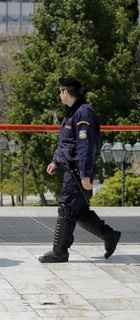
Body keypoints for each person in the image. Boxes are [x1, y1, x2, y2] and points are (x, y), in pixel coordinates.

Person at [39, 77, 121, 263]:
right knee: (78, 212)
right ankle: (109, 235)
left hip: (77, 172)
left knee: (66, 208)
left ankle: (59, 252)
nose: (60, 95)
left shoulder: (84, 114)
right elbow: (66, 142)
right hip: (70, 169)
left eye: (60, 91)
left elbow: (86, 147)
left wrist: (85, 175)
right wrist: (55, 161)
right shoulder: (72, 112)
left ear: (66, 92)